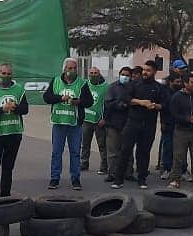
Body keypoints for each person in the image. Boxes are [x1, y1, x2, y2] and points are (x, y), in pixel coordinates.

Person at [110, 61, 166, 190]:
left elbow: (164, 104)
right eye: (144, 70)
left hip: (149, 124)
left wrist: (155, 105)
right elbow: (126, 98)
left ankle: (142, 179)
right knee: (125, 150)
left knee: (144, 152)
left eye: (148, 70)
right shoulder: (134, 84)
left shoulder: (158, 87)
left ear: (154, 72)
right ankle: (118, 179)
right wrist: (141, 102)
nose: (145, 72)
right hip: (132, 122)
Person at [0, 62, 29, 200]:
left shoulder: (19, 89)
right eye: (3, 73)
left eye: (8, 74)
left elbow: (25, 109)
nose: (6, 76)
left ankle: (5, 196)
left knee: (8, 167)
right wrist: (2, 109)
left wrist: (14, 107)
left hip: (14, 133)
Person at [43, 58, 92, 190]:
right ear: (64, 69)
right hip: (59, 122)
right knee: (56, 152)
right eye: (70, 68)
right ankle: (54, 179)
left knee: (75, 152)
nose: (72, 71)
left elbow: (89, 101)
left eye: (74, 68)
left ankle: (75, 179)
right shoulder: (56, 81)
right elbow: (46, 98)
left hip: (74, 123)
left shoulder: (82, 83)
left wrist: (79, 102)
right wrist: (60, 98)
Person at [167, 73, 193, 189]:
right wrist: (187, 119)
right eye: (192, 82)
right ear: (185, 83)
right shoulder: (177, 97)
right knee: (178, 156)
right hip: (181, 131)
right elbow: (173, 114)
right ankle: (175, 179)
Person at [102, 66, 133, 183]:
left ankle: (128, 173)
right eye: (123, 74)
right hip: (113, 123)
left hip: (128, 123)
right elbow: (108, 104)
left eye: (127, 75)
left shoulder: (133, 88)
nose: (124, 77)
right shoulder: (113, 87)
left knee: (128, 150)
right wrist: (119, 104)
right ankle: (112, 173)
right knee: (113, 151)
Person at [80, 66, 109, 174]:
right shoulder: (85, 84)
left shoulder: (106, 87)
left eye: (95, 73)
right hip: (86, 119)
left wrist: (104, 118)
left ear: (99, 74)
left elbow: (107, 104)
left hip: (99, 121)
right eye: (91, 73)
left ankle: (104, 166)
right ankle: (84, 163)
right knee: (85, 143)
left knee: (102, 145)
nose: (93, 75)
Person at [157, 71, 184, 179]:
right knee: (168, 147)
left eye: (180, 81)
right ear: (171, 82)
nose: (179, 83)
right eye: (177, 82)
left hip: (180, 123)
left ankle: (182, 170)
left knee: (180, 148)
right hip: (168, 123)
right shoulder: (164, 92)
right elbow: (163, 108)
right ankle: (167, 169)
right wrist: (163, 122)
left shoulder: (181, 93)